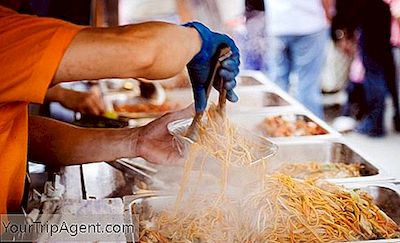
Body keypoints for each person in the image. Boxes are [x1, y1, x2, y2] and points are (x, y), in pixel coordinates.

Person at [0, 0, 240, 220]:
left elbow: (23, 135)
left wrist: (136, 141)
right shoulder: (6, 32)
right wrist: (198, 41)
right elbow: (144, 52)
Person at [332, 0, 400, 136]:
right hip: (379, 22)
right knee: (385, 74)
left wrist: (345, 30)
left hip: (373, 22)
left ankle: (375, 124)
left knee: (374, 75)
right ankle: (383, 121)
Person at [264, 0, 332, 118]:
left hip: (277, 23)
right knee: (307, 86)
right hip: (310, 23)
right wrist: (329, 15)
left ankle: (274, 126)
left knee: (277, 82)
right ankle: (309, 127)